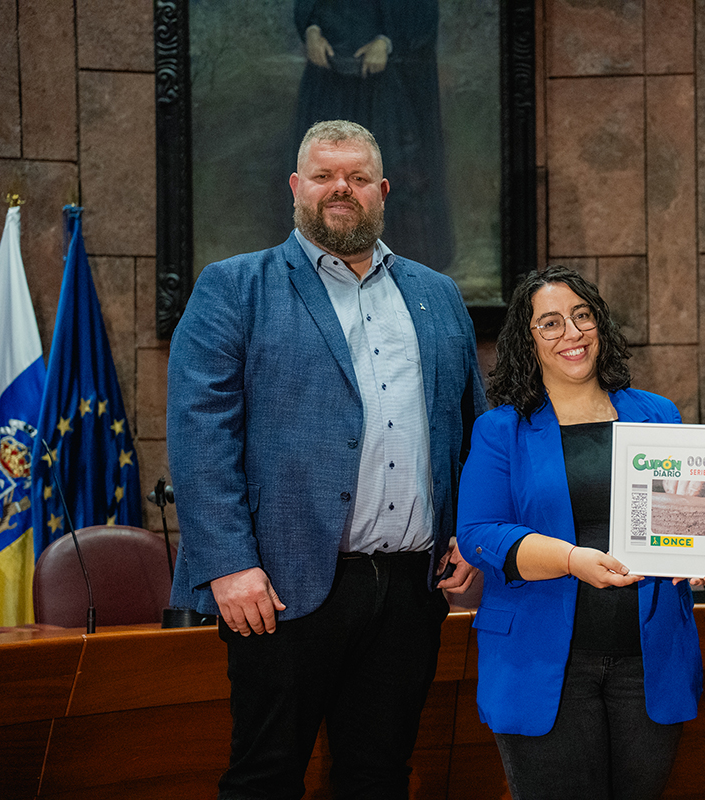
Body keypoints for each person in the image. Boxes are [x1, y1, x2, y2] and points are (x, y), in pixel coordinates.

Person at [167, 119, 486, 799]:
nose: (340, 187)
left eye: (357, 177)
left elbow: (471, 428)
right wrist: (227, 565)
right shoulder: (235, 288)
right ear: (296, 187)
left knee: (379, 776)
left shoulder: (437, 295)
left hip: (409, 587)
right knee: (264, 777)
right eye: (324, 175)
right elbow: (200, 439)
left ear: (382, 190)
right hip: (279, 590)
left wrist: (474, 529)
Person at [456, 266, 705, 799]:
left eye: (581, 315)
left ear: (600, 325)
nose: (571, 333)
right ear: (528, 340)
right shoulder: (501, 428)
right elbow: (479, 533)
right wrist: (572, 560)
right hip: (541, 663)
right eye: (549, 323)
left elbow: (690, 514)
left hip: (649, 663)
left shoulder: (657, 414)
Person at [293, 0, 453, 273]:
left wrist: (387, 42)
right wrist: (311, 29)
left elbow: (420, 11)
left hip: (389, 80)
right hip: (329, 74)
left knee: (391, 169)